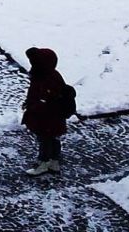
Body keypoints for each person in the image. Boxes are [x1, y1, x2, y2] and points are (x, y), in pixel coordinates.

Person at [22, 46, 76, 175]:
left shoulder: (46, 78)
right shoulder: (48, 74)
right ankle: (54, 162)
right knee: (52, 138)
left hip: (46, 117)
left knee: (45, 139)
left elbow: (46, 100)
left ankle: (43, 163)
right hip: (51, 117)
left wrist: (33, 106)